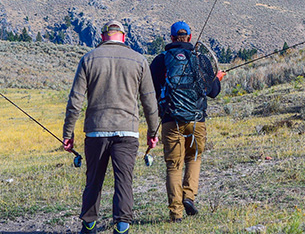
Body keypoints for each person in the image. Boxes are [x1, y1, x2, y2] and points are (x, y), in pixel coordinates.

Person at [63, 20, 159, 234]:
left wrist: (68, 134)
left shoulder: (88, 59)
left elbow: (75, 101)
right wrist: (153, 133)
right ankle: (122, 227)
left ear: (103, 36)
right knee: (124, 181)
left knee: (93, 180)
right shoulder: (139, 60)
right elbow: (150, 103)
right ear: (124, 37)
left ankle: (89, 225)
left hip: (96, 132)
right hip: (127, 132)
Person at [150, 21, 225, 223]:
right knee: (194, 158)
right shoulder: (200, 60)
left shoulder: (160, 61)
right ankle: (189, 196)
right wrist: (216, 78)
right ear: (190, 38)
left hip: (170, 121)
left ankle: (176, 213)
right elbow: (213, 92)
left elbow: (152, 92)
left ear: (172, 38)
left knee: (173, 166)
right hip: (197, 120)